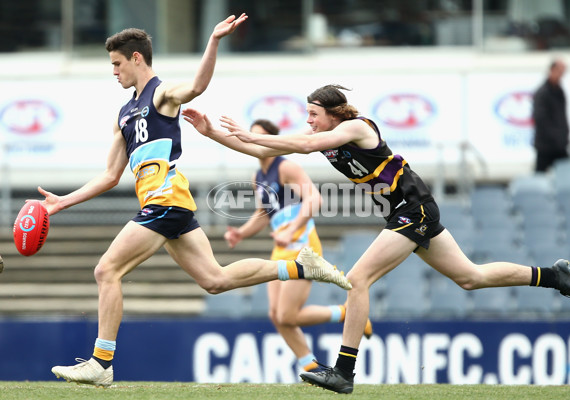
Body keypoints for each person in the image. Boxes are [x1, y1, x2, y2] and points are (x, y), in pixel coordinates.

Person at [182, 84, 570, 394]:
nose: (308, 121)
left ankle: (343, 371)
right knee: (470, 277)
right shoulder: (331, 139)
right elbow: (285, 145)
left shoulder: (356, 127)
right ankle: (553, 276)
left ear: (332, 113)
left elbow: (304, 145)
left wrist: (256, 137)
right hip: (405, 213)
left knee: (357, 279)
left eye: (312, 114)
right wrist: (210, 134)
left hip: (413, 211)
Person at [45, 18, 351, 388]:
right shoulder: (123, 115)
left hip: (165, 201)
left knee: (106, 271)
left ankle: (101, 361)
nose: (114, 71)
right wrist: (63, 202)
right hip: (169, 206)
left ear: (136, 58)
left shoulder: (162, 94)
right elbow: (110, 176)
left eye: (117, 63)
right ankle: (299, 267)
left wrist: (213, 41)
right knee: (215, 279)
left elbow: (198, 86)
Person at [224, 119, 372, 373]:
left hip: (302, 245)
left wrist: (292, 229)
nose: (251, 140)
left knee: (288, 316)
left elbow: (314, 198)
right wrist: (241, 233)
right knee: (275, 315)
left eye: (258, 136)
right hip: (281, 245)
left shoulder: (285, 167)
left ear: (271, 140)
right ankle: (310, 365)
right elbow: (263, 212)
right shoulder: (257, 176)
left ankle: (345, 313)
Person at [532, 58, 570, 173]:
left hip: (560, 145)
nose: (562, 75)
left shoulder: (559, 91)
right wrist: (557, 136)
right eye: (560, 71)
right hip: (546, 146)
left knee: (566, 174)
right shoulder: (543, 92)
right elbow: (540, 119)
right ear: (552, 70)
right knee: (540, 176)